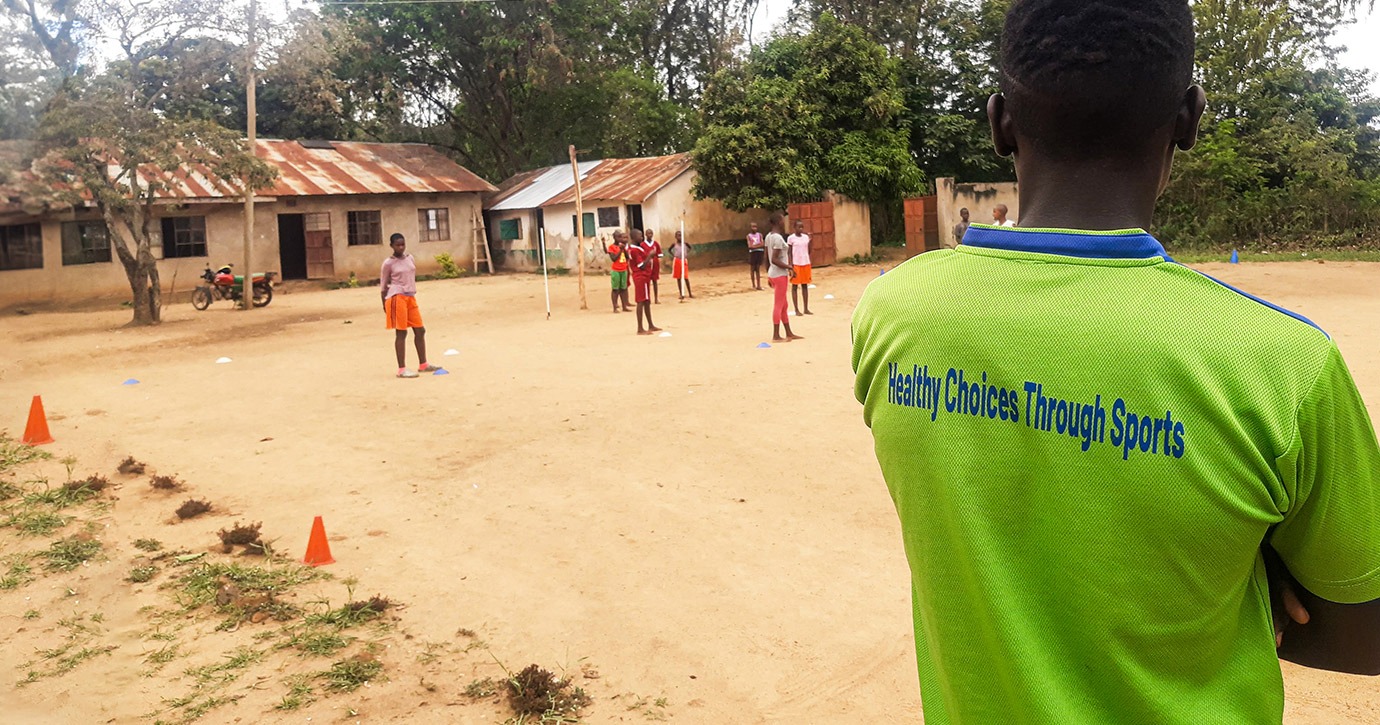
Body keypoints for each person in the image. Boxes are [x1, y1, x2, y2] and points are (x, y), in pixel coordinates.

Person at [851, 2, 1380, 723]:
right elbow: (1363, 633)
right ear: (1190, 119)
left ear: (999, 122)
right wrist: (1243, 566)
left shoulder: (892, 314)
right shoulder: (1284, 366)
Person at [380, 233, 438, 378]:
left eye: (403, 244)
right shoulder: (388, 263)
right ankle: (402, 369)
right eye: (397, 245)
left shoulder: (410, 258)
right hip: (396, 297)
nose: (401, 247)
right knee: (402, 332)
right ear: (391, 246)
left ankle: (423, 364)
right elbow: (383, 286)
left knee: (420, 330)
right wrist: (385, 305)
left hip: (410, 297)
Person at [765, 213, 800, 342]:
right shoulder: (778, 239)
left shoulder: (768, 237)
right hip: (779, 275)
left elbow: (766, 258)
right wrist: (789, 267)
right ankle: (776, 335)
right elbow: (774, 259)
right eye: (782, 220)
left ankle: (789, 332)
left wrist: (768, 274)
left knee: (784, 305)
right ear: (779, 222)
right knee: (779, 305)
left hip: (773, 274)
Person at [627, 228, 660, 335]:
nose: (642, 237)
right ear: (633, 237)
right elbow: (641, 266)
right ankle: (640, 328)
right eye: (640, 236)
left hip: (644, 277)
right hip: (641, 276)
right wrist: (650, 256)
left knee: (646, 301)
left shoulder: (636, 248)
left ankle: (650, 325)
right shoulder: (635, 250)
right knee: (641, 301)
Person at [787, 219, 812, 316]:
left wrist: (810, 241)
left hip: (806, 263)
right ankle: (796, 309)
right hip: (796, 264)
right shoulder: (791, 238)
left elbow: (809, 250)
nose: (801, 229)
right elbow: (789, 253)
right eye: (799, 227)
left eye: (802, 227)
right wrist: (790, 266)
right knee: (795, 286)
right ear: (794, 228)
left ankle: (806, 308)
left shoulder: (806, 237)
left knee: (805, 285)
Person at [607, 232, 633, 313]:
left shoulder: (622, 246)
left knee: (624, 288)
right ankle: (615, 307)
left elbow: (627, 257)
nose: (620, 239)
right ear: (614, 238)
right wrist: (620, 250)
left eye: (621, 237)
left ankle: (624, 306)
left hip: (624, 269)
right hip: (616, 270)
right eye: (618, 237)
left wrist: (623, 249)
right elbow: (614, 259)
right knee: (615, 289)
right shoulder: (611, 247)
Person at [670, 230, 694, 301]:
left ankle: (690, 293)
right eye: (678, 235)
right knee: (678, 278)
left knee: (686, 277)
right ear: (675, 237)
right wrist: (674, 255)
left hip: (684, 260)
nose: (679, 237)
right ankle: (681, 293)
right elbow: (669, 250)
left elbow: (690, 248)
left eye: (680, 235)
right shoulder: (674, 244)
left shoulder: (685, 244)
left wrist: (686, 254)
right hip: (677, 260)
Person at [645, 228, 663, 304]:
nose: (650, 235)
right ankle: (648, 298)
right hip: (647, 264)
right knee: (647, 282)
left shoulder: (655, 244)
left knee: (655, 281)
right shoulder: (643, 244)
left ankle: (656, 298)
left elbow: (660, 254)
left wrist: (655, 257)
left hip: (655, 264)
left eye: (651, 233)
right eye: (648, 233)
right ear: (645, 234)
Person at [746, 222, 765, 290]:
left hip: (759, 252)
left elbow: (762, 244)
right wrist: (758, 245)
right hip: (752, 253)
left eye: (755, 227)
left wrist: (754, 246)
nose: (754, 228)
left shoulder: (759, 235)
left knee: (758, 269)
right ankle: (753, 285)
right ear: (750, 228)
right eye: (753, 227)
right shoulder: (748, 236)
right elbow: (750, 246)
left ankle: (759, 285)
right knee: (752, 269)